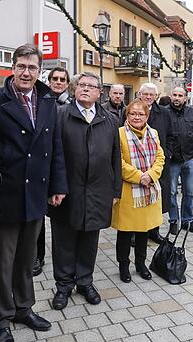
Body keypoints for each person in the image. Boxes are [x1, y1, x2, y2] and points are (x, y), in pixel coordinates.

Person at [0, 44, 68, 342]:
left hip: (35, 193)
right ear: (12, 67)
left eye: (32, 67)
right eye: (21, 66)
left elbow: (55, 145)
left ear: (39, 70)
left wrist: (58, 185)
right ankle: (1, 320)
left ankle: (23, 308)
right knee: (2, 263)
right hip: (3, 194)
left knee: (26, 258)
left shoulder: (47, 101)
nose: (26, 72)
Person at [50, 72, 121, 310]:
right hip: (67, 190)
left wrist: (115, 190)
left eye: (92, 86)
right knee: (64, 240)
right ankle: (63, 286)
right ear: (74, 89)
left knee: (90, 239)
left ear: (99, 92)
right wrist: (54, 187)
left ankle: (85, 282)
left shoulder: (109, 119)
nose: (86, 89)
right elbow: (52, 155)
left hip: (99, 190)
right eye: (82, 85)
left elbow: (115, 157)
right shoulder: (60, 115)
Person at [113, 98, 164, 282]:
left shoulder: (154, 133)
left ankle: (141, 264)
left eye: (141, 114)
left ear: (147, 116)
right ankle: (123, 266)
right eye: (132, 113)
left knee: (144, 231)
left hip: (148, 190)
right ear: (127, 115)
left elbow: (160, 157)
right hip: (128, 192)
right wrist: (138, 176)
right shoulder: (118, 134)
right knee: (125, 232)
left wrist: (150, 175)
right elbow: (117, 162)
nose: (136, 117)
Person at [33, 66, 71, 277]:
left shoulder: (71, 105)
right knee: (38, 217)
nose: (58, 82)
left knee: (59, 216)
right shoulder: (40, 102)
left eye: (61, 79)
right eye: (54, 78)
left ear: (67, 83)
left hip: (61, 164)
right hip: (41, 165)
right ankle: (38, 257)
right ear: (48, 81)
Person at [165, 87, 193, 234]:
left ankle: (187, 221)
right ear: (170, 96)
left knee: (190, 192)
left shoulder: (191, 112)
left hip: (189, 159)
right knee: (172, 192)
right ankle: (173, 221)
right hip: (173, 160)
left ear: (185, 98)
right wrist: (168, 153)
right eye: (174, 95)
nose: (177, 98)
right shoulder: (164, 112)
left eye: (180, 95)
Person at [138, 83, 171, 244]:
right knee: (137, 197)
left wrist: (167, 154)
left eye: (152, 94)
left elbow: (171, 135)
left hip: (158, 162)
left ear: (156, 97)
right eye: (146, 94)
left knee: (157, 197)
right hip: (137, 162)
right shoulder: (133, 110)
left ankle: (154, 231)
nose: (149, 97)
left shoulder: (164, 113)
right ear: (140, 94)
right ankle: (134, 232)